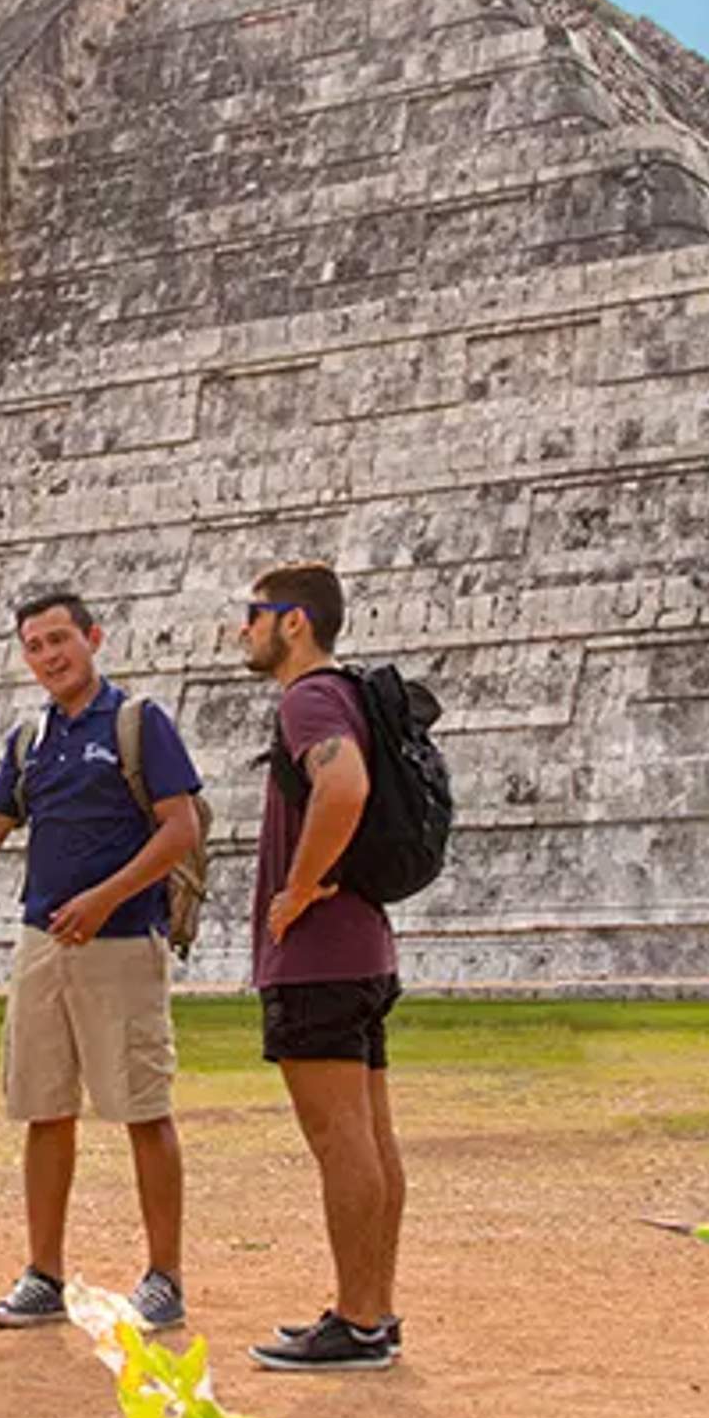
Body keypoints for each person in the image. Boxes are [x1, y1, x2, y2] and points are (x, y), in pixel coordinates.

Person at [0, 588, 204, 1333]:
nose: (49, 656)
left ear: (93, 638)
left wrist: (105, 899)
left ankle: (164, 1277)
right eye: (35, 646)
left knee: (143, 1108)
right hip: (43, 943)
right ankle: (43, 1274)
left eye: (59, 640)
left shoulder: (138, 722)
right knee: (44, 1110)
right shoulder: (30, 737)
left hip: (121, 941)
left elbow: (180, 829)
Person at [237, 560, 405, 1372]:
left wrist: (299, 887)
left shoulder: (308, 697)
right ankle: (374, 1310)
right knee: (370, 1139)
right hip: (361, 948)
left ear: (293, 621)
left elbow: (343, 786)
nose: (243, 630)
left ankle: (358, 1317)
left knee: (341, 1142)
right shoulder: (347, 695)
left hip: (318, 958)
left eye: (254, 614)